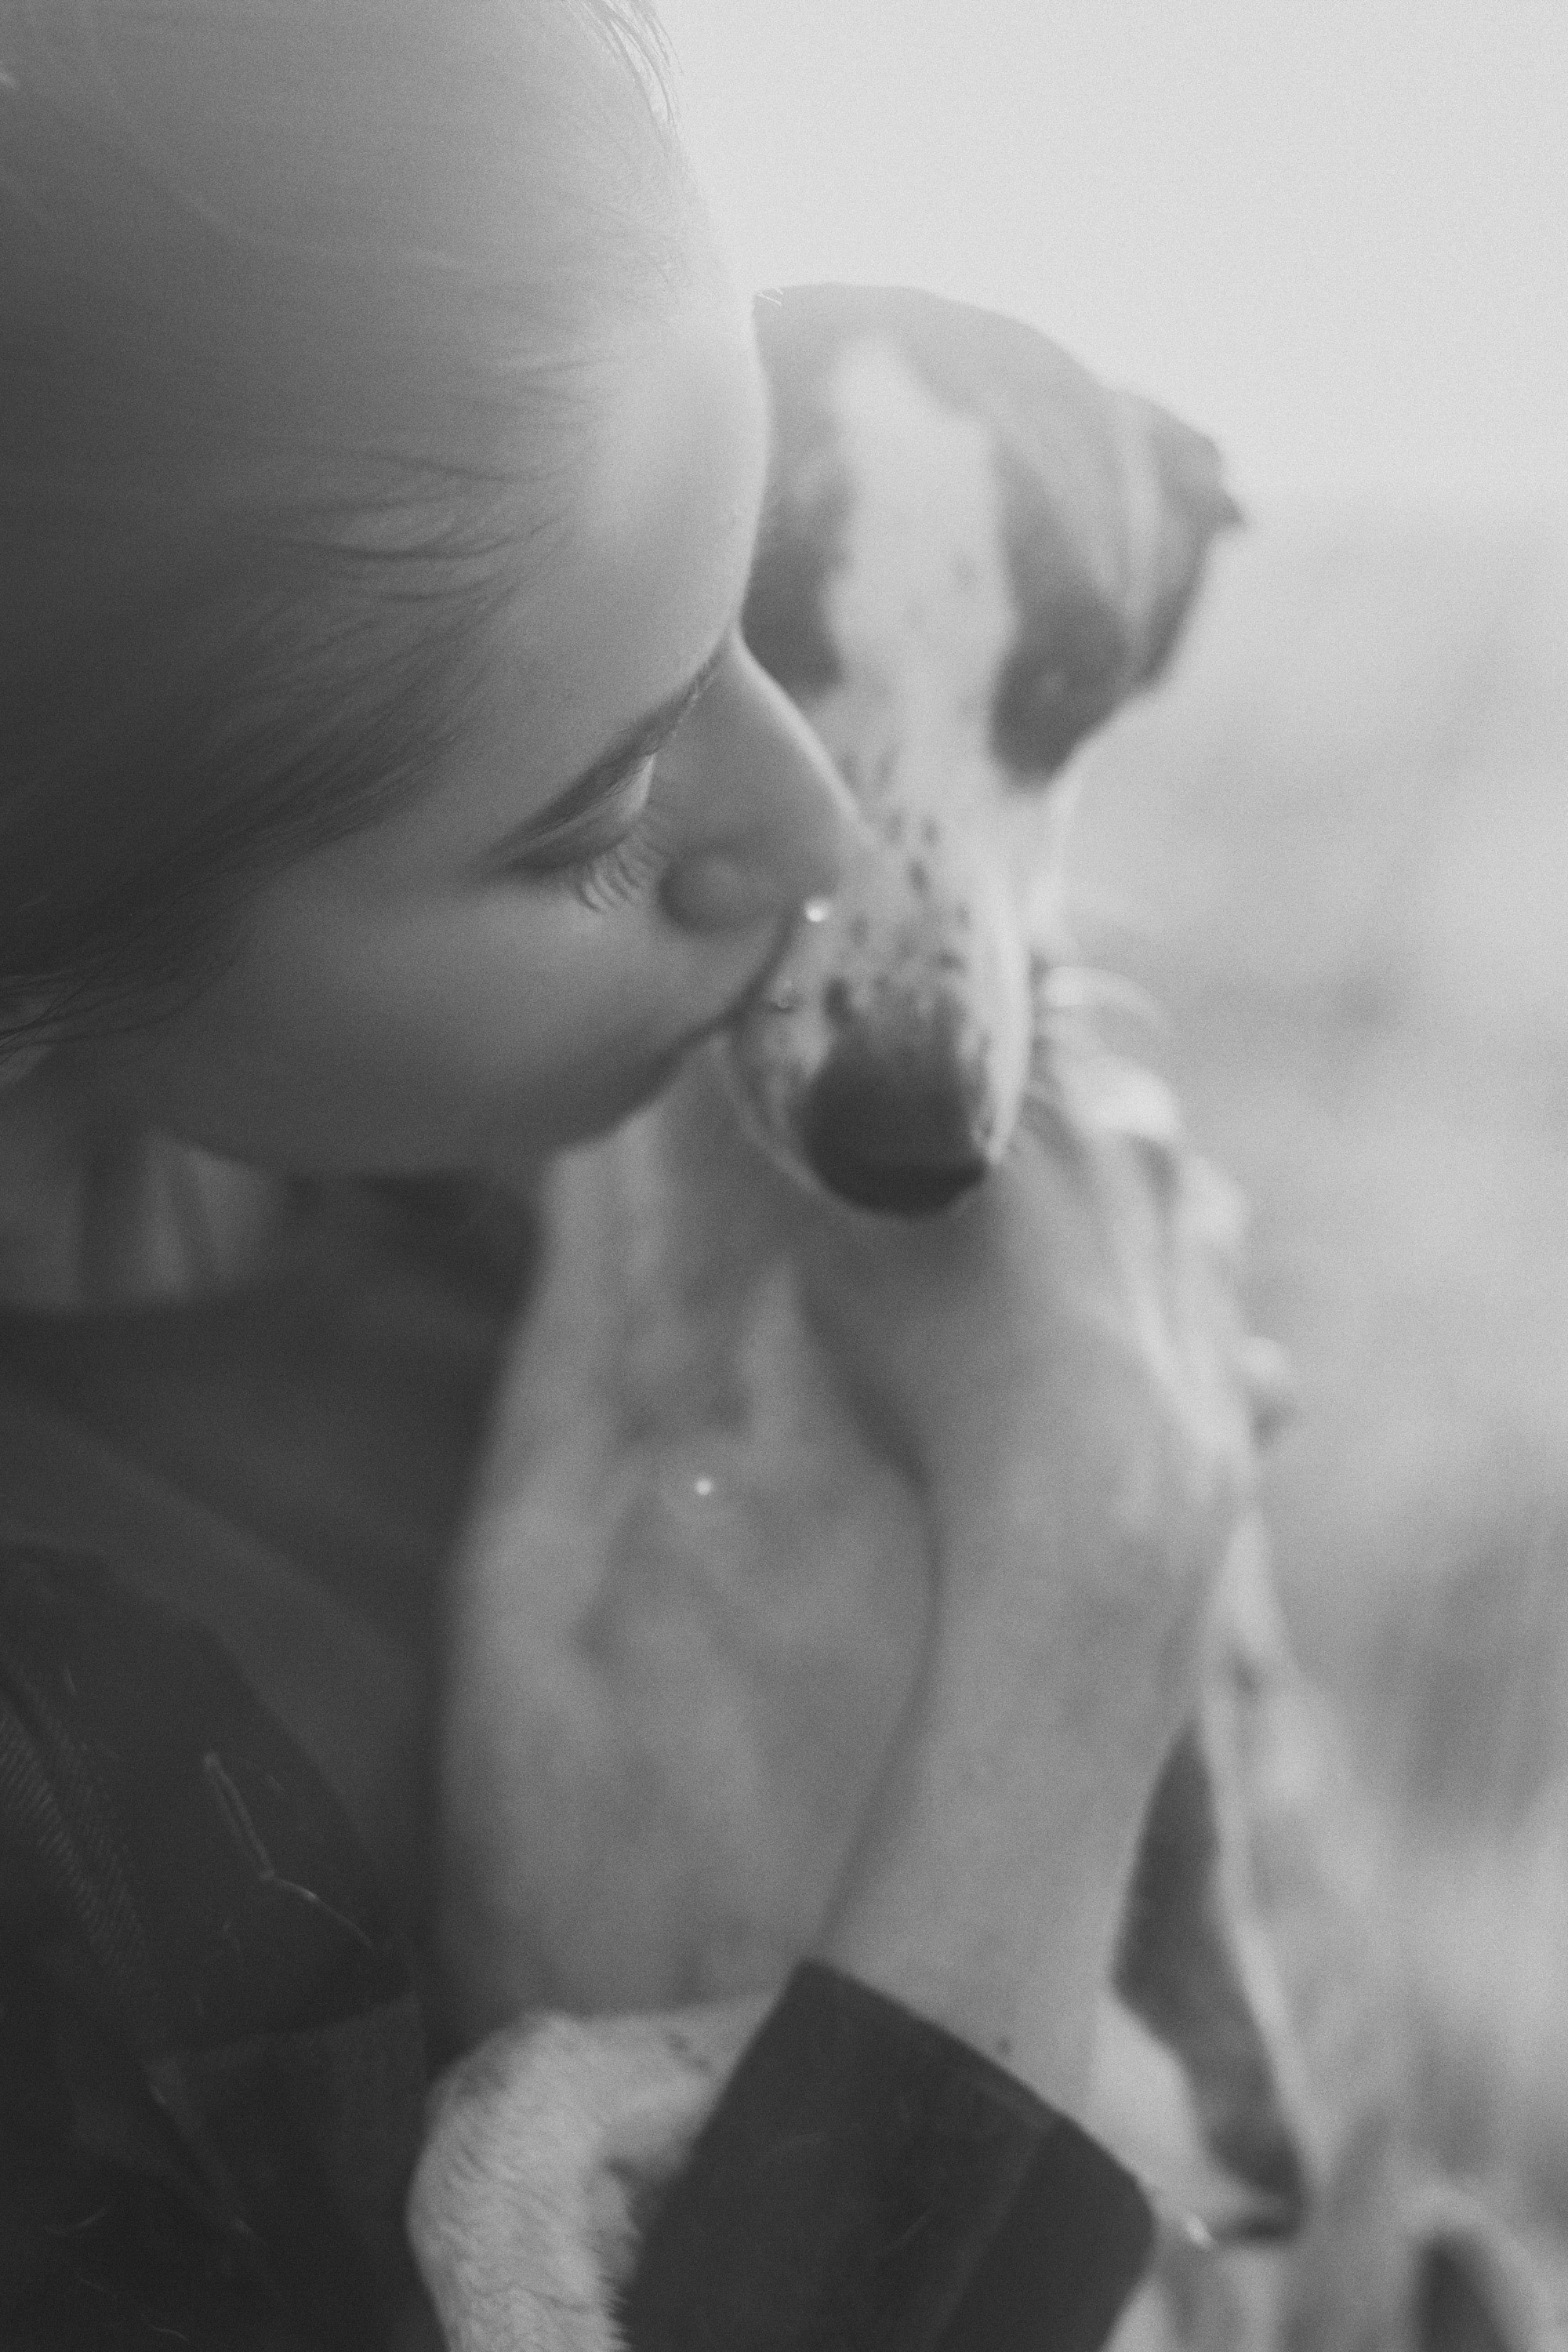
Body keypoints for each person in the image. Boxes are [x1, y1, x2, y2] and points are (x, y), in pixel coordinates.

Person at [0, 2, 1256, 2344]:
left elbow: (1262, 2158)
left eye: (733, 631)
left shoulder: (532, 1205)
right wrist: (1085, 1571)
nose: (803, 846)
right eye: (594, 811)